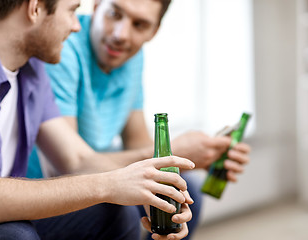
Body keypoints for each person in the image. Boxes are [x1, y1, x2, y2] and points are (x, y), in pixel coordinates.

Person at [0, 0, 195, 239]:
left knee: (114, 212)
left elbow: (77, 159)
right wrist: (107, 185)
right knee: (14, 235)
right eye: (72, 11)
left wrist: (148, 186)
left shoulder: (30, 69)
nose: (76, 26)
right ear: (35, 8)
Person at [27, 0, 252, 239]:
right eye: (114, 14)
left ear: (154, 31)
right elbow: (68, 167)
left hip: (99, 169)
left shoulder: (129, 56)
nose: (121, 34)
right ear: (95, 6)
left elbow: (138, 144)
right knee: (117, 211)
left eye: (140, 24)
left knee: (185, 188)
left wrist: (197, 157)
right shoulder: (63, 48)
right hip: (52, 187)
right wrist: (175, 153)